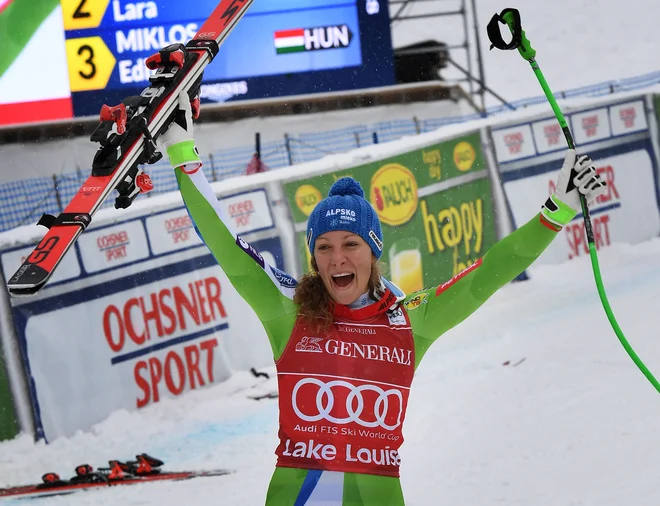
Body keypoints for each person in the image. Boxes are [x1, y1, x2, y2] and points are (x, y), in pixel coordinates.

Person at [159, 93, 606, 505]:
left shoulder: (410, 320)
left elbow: (488, 273)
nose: (337, 259)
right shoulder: (289, 309)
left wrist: (557, 210)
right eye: (324, 247)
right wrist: (182, 151)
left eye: (351, 244)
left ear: (374, 251)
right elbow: (223, 241)